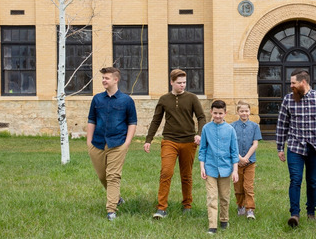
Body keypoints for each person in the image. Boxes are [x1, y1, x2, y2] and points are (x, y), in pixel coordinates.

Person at [275, 68, 316, 228]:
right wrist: (280, 147)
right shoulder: (288, 100)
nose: (291, 86)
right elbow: (282, 125)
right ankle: (294, 214)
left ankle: (311, 212)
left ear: (303, 82)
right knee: (295, 180)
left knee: (312, 182)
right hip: (295, 147)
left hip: (315, 147)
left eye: (293, 83)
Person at [144, 69, 207, 218]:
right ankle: (161, 208)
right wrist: (148, 140)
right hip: (169, 141)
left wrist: (199, 135)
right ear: (171, 82)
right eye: (179, 83)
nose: (182, 85)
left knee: (186, 175)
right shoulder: (164, 99)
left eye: (184, 82)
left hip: (188, 142)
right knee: (166, 172)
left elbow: (201, 117)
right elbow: (156, 120)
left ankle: (187, 205)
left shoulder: (192, 98)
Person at [86, 67, 137, 221]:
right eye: (103, 78)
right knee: (102, 176)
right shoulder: (97, 99)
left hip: (118, 143)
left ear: (116, 80)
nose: (103, 80)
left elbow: (132, 123)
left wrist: (127, 143)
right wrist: (89, 142)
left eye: (106, 78)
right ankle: (117, 198)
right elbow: (91, 120)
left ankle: (111, 211)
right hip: (98, 143)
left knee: (113, 176)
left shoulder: (126, 100)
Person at [199, 100, 239, 235]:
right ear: (211, 112)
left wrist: (235, 170)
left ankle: (224, 220)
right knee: (211, 197)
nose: (217, 116)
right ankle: (212, 226)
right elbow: (202, 149)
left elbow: (234, 151)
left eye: (220, 113)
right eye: (215, 113)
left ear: (225, 113)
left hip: (226, 169)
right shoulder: (206, 128)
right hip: (210, 168)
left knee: (225, 197)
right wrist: (202, 167)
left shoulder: (230, 130)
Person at [231, 101, 262, 220]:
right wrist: (239, 158)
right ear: (238, 112)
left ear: (250, 111)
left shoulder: (255, 126)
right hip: (236, 162)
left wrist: (246, 158)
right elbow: (231, 145)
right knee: (238, 187)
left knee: (248, 186)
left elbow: (255, 144)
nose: (244, 113)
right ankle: (241, 206)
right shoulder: (232, 127)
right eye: (241, 111)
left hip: (250, 162)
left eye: (246, 111)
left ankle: (250, 209)